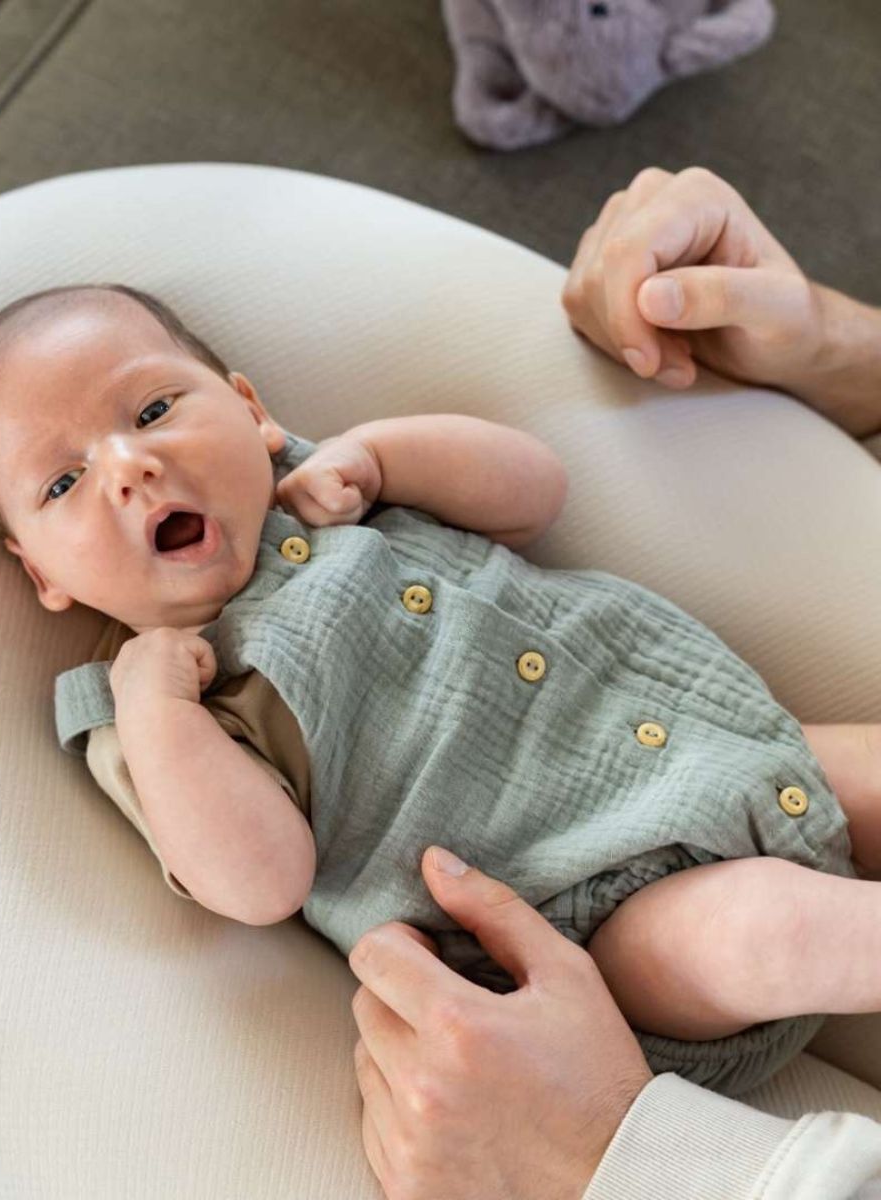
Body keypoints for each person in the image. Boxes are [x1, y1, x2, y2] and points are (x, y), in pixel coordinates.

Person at [346, 165, 881, 1200]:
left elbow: (528, 489)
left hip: (659, 829)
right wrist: (844, 354)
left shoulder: (330, 489)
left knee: (769, 930)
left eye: (155, 408)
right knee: (766, 918)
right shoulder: (149, 694)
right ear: (41, 574)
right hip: (631, 854)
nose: (126, 466)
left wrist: (606, 1156)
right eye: (61, 484)